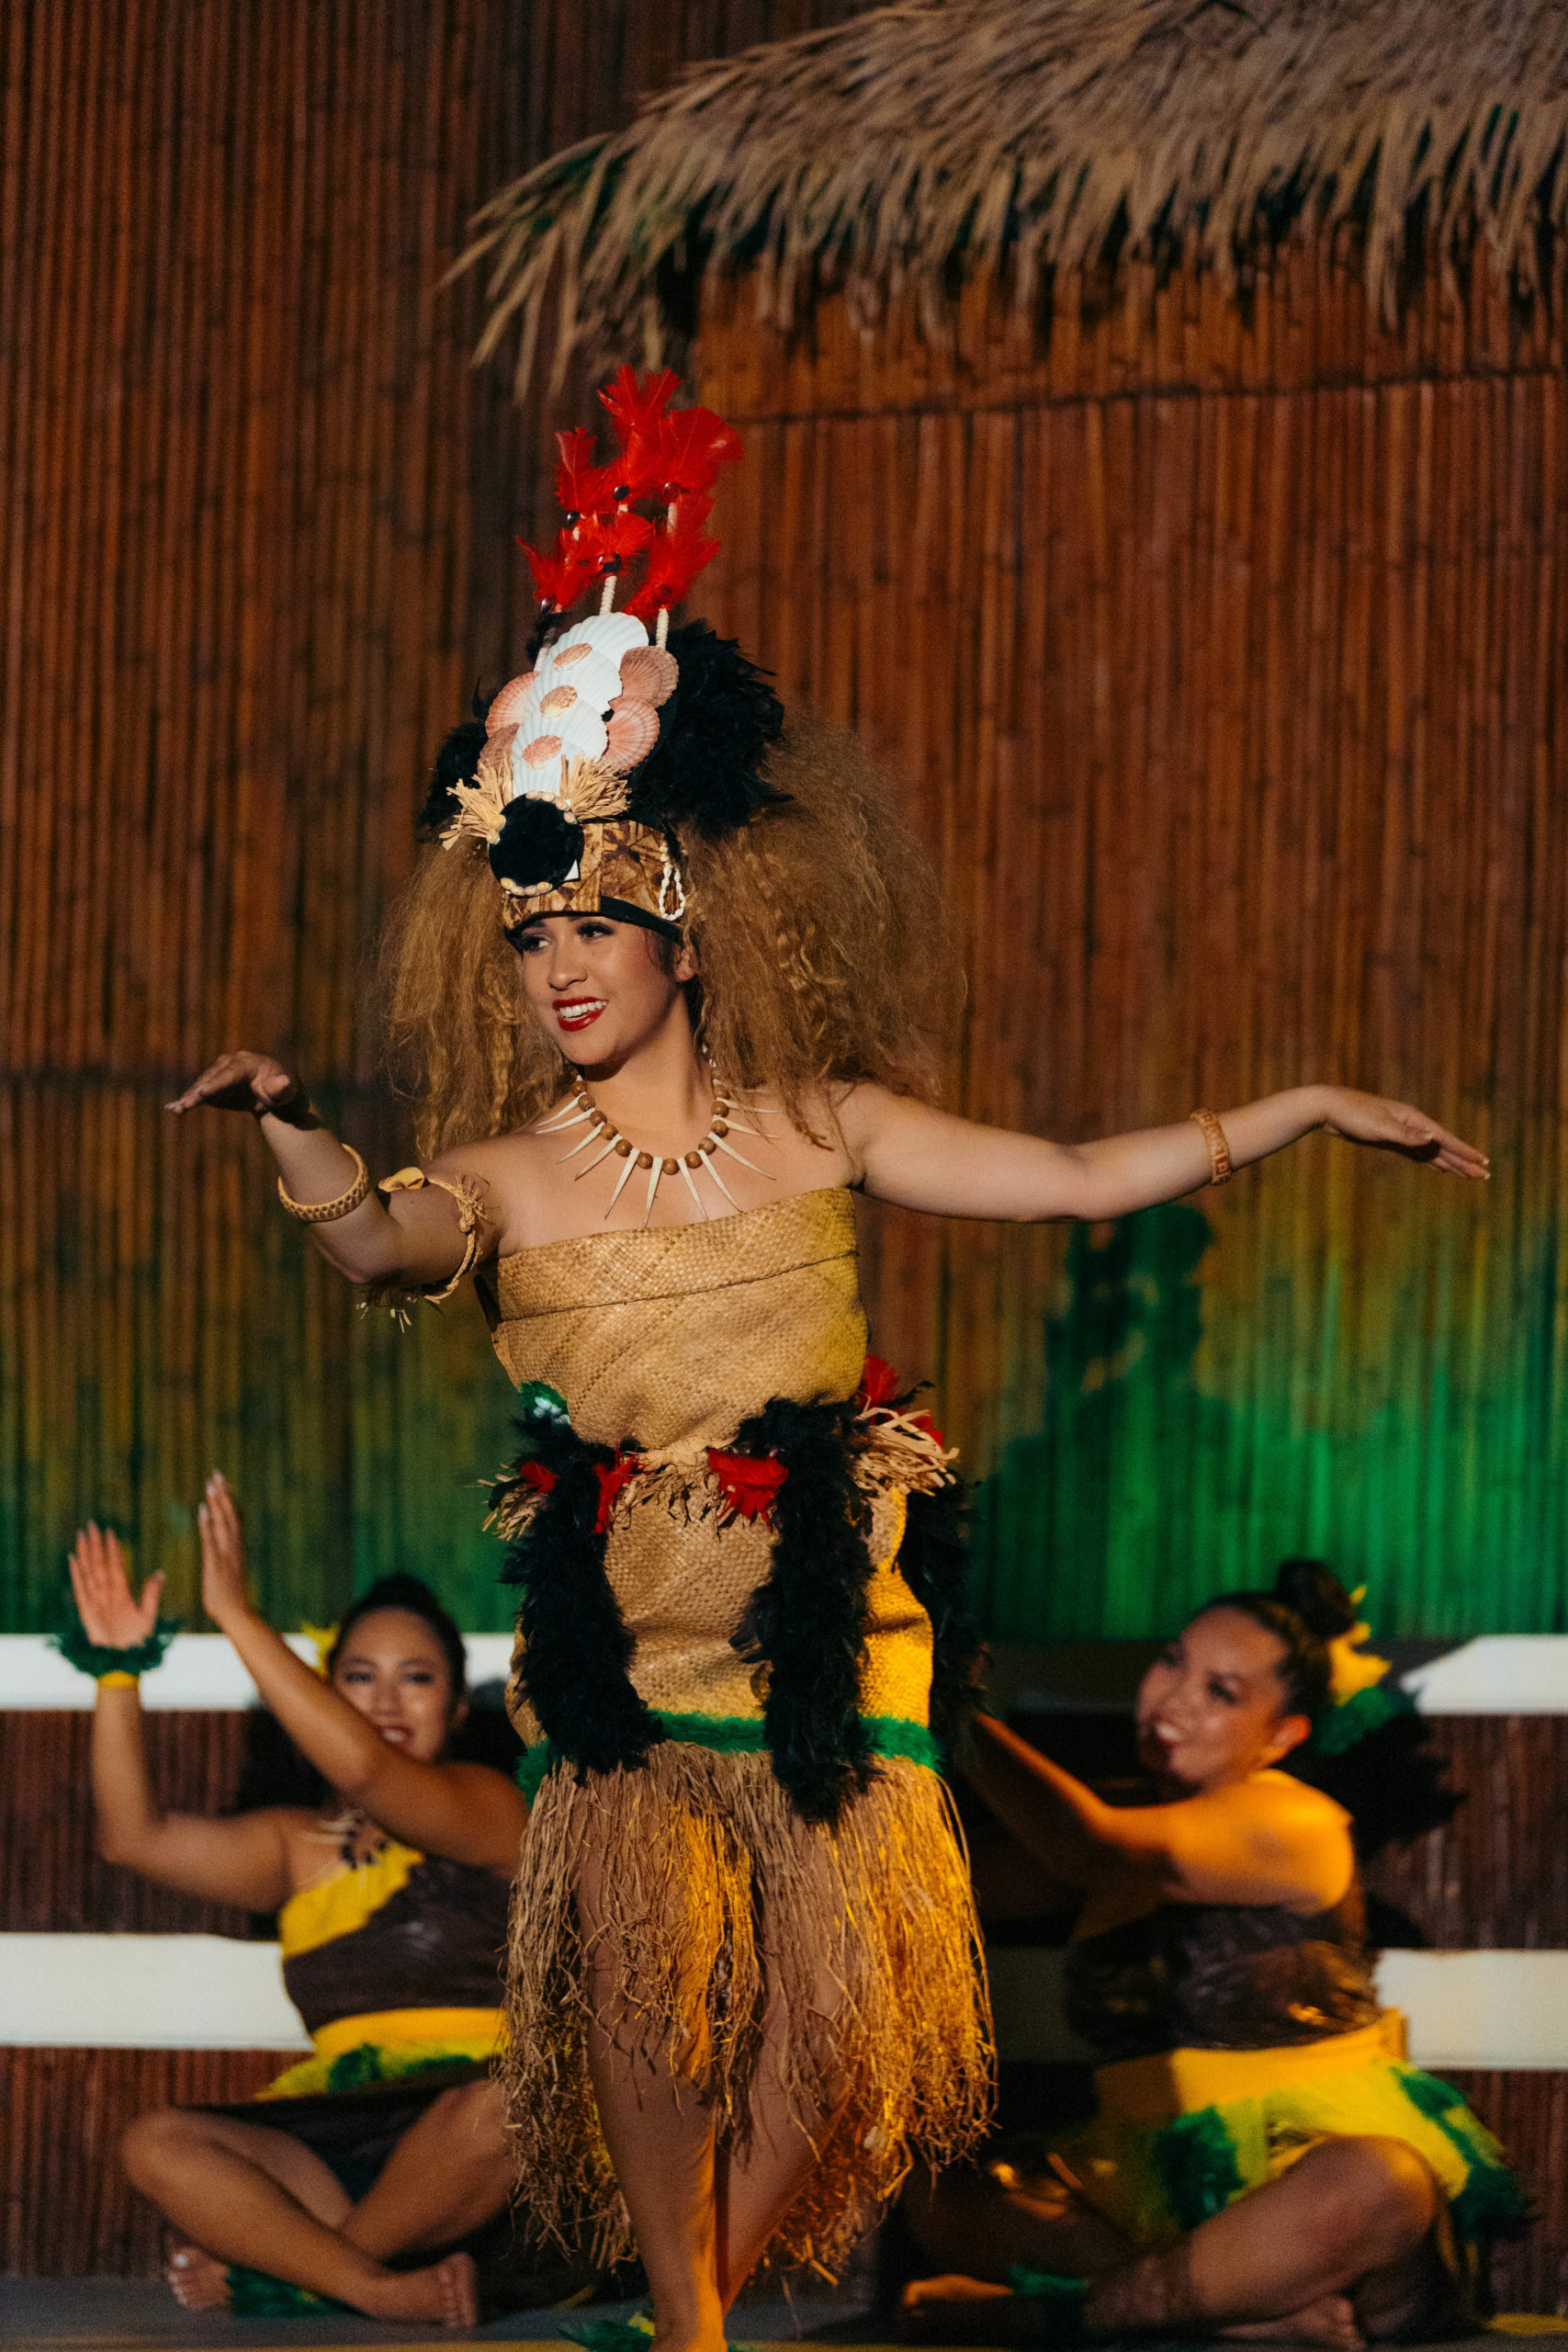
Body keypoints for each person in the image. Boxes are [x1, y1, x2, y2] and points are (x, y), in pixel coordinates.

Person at [164, 369, 1487, 2352]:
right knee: (638, 1994)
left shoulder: (823, 1118)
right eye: (530, 937)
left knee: (842, 2021)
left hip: (828, 1629)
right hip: (626, 1637)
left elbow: (1057, 1177)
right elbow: (378, 1239)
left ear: (679, 926)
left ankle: (692, 2304)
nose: (559, 963)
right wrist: (289, 1127)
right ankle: (686, 2323)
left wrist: (1292, 1102)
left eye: (594, 923)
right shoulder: (510, 1171)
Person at [900, 1562, 1524, 2346]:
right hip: (1141, 2179)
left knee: (1379, 2186)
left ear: (1282, 1735)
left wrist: (947, 1705)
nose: (1172, 1703)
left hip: (1303, 2169)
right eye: (1171, 1662)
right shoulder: (1135, 1813)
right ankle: (1244, 2319)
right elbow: (936, 1882)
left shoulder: (1293, 1825)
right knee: (936, 2190)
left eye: (1220, 1694)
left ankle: (1050, 2311)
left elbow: (1090, 1850)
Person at [64, 1481, 531, 2326]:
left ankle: (293, 2279)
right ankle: (370, 2280)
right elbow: (130, 1838)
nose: (386, 1702)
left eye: (415, 1679)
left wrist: (237, 1616)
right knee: (157, 2141)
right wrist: (119, 1670)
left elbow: (368, 1774)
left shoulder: (491, 1807)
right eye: (358, 1678)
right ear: (326, 1692)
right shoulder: (296, 1846)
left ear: (457, 1706)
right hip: (343, 2126)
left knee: (508, 2108)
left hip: (476, 2134)